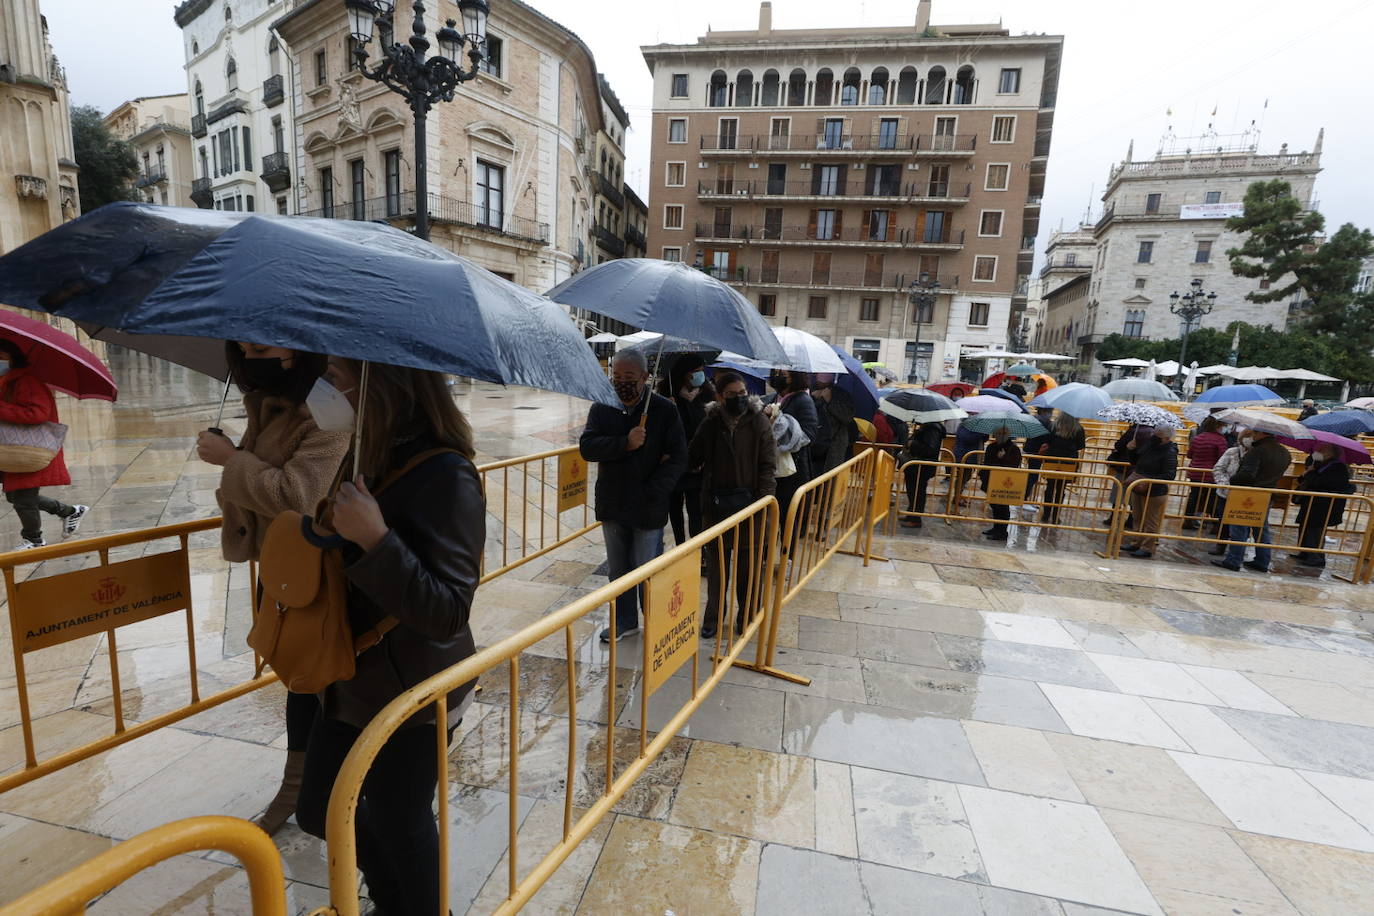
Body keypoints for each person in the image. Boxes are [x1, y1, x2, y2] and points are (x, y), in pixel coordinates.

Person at [292, 358, 485, 916]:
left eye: (336, 372)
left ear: (380, 383)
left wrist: (376, 540)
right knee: (319, 809)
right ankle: (391, 901)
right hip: (349, 671)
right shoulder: (365, 455)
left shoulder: (447, 473)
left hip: (413, 687)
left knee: (402, 822)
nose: (326, 384)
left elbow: (449, 609)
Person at [194, 341, 350, 835]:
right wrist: (240, 455)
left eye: (261, 345)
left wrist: (232, 462)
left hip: (323, 576)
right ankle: (298, 784)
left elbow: (301, 495)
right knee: (299, 681)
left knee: (326, 684)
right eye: (241, 346)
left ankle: (332, 790)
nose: (248, 355)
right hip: (284, 569)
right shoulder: (267, 404)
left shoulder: (327, 407)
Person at [579, 350, 687, 642]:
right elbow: (587, 446)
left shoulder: (664, 410)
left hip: (647, 507)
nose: (621, 382)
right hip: (613, 503)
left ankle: (655, 622)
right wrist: (624, 443)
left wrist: (654, 491)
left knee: (646, 570)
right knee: (619, 571)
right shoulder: (603, 406)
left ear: (644, 376)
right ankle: (624, 622)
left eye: (629, 377)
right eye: (617, 376)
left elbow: (678, 457)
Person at [688, 372, 776, 638]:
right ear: (719, 396)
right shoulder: (711, 422)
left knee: (748, 570)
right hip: (716, 506)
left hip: (751, 507)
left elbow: (768, 466)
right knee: (716, 570)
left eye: (742, 393)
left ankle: (747, 617)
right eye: (731, 394)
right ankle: (713, 618)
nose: (738, 398)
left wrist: (763, 502)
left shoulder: (759, 422)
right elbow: (693, 457)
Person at [0, 339, 87, 548]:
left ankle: (34, 539)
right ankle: (70, 511)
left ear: (9, 354)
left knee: (23, 498)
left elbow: (37, 413)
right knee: (15, 495)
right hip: (12, 448)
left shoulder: (27, 381)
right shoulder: (10, 379)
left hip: (27, 449)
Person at [1212, 427, 1290, 572]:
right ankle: (1262, 560)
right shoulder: (1284, 452)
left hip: (1247, 494)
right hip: (1267, 493)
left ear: (1261, 433)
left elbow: (1246, 475)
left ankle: (1234, 560)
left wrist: (1233, 480)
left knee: (1239, 527)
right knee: (1261, 529)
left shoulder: (1258, 451)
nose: (1252, 436)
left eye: (1254, 433)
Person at [659, 356, 713, 547]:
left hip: (697, 463)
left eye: (701, 369)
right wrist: (668, 409)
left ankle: (698, 549)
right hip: (674, 462)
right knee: (674, 507)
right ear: (685, 373)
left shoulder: (707, 394)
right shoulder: (667, 395)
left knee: (696, 509)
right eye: (696, 370)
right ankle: (681, 545)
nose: (700, 374)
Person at [764, 369, 819, 523]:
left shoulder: (803, 400)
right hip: (771, 468)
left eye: (783, 374)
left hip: (792, 470)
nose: (778, 376)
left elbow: (809, 436)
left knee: (788, 518)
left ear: (795, 376)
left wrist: (778, 419)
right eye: (776, 372)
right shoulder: (773, 398)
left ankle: (788, 546)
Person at [1122, 424, 1178, 558]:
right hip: (1139, 486)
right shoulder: (1149, 446)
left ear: (1166, 438)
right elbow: (1136, 462)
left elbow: (1169, 475)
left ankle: (1147, 547)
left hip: (1154, 491)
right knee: (1137, 517)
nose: (1154, 437)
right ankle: (1136, 542)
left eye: (1157, 436)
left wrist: (1149, 480)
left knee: (1150, 521)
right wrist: (1131, 450)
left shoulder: (1170, 452)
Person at [1291, 446, 1354, 568]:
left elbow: (1321, 482)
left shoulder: (1338, 467)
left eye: (1322, 450)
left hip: (1324, 505)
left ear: (1330, 454)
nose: (1318, 452)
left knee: (1315, 530)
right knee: (1305, 527)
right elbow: (1306, 478)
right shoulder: (1320, 464)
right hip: (1312, 503)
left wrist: (1311, 473)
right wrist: (1308, 471)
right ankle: (1305, 552)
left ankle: (1316, 557)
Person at [1033, 412, 1086, 524]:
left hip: (1052, 459)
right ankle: (1056, 516)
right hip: (1069, 462)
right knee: (1061, 489)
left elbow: (1047, 440)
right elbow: (1081, 446)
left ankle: (1046, 514)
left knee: (1050, 487)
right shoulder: (1078, 429)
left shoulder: (1053, 426)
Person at [1207, 432, 1250, 556]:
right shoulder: (1232, 452)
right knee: (1223, 521)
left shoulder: (1257, 454)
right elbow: (1219, 468)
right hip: (1225, 493)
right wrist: (1225, 485)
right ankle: (1221, 545)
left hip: (1245, 495)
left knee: (1243, 523)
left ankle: (1238, 549)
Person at [1182, 417, 1228, 531]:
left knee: (1194, 496)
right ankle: (1215, 524)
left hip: (1195, 473)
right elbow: (1222, 458)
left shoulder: (1198, 438)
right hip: (1211, 474)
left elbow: (1189, 454)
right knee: (1212, 499)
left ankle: (1188, 519)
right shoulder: (1220, 440)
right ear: (1218, 426)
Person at [980, 427, 1021, 541]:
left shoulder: (1014, 449)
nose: (1000, 435)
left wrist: (1003, 458)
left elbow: (1014, 465)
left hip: (1004, 483)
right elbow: (987, 462)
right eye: (998, 433)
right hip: (991, 480)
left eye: (1003, 433)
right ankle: (996, 527)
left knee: (1002, 506)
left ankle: (1002, 531)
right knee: (994, 505)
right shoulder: (992, 447)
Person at [901, 420, 945, 528]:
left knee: (918, 492)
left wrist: (913, 444)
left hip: (921, 467)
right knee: (913, 491)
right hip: (916, 466)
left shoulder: (932, 429)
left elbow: (930, 449)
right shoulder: (927, 427)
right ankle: (911, 513)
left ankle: (916, 519)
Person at [811, 374, 857, 473]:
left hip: (834, 448)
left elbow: (847, 417)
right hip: (814, 446)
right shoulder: (808, 391)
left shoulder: (842, 394)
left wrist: (830, 401)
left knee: (830, 482)